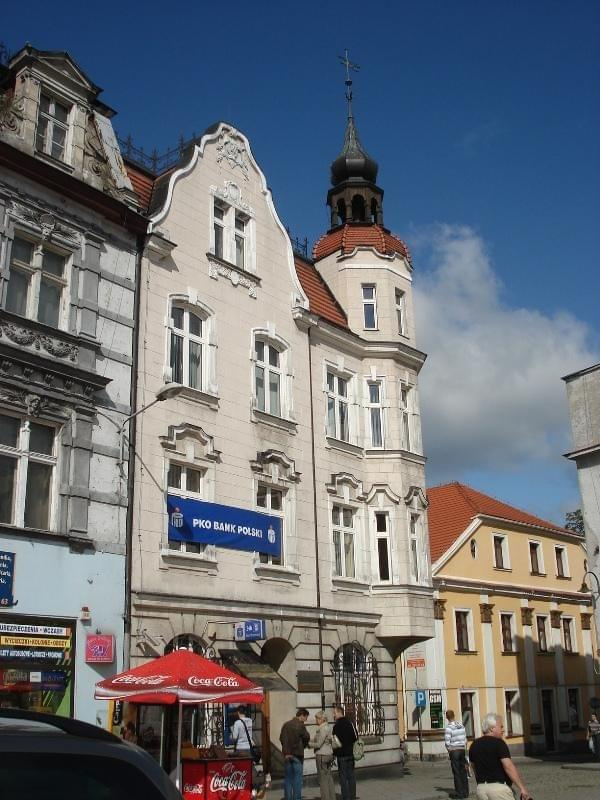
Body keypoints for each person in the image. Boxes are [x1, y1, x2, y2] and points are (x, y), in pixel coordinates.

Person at [468, 713, 531, 800]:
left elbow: (474, 767)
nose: (503, 730)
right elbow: (508, 766)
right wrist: (522, 788)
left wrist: (481, 784)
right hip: (499, 789)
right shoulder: (499, 743)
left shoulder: (473, 745)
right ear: (492, 728)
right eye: (500, 727)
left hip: (481, 789)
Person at [279, 708, 310, 800]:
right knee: (297, 779)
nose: (306, 720)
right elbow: (307, 737)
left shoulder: (286, 725)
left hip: (287, 755)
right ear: (302, 715)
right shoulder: (300, 725)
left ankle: (288, 798)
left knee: (288, 779)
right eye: (306, 717)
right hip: (297, 755)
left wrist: (286, 749)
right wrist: (303, 745)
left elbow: (281, 738)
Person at [332, 705, 357, 800]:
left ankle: (346, 797)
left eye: (334, 713)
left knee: (343, 777)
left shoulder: (336, 726)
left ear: (339, 713)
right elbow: (355, 738)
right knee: (351, 776)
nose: (334, 715)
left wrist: (334, 754)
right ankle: (352, 796)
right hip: (350, 753)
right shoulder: (350, 723)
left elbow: (335, 742)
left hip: (341, 755)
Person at [310, 710, 335, 800]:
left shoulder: (322, 729)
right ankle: (332, 797)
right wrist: (310, 740)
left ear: (321, 719)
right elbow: (321, 740)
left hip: (322, 755)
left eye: (317, 719)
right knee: (329, 777)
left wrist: (308, 745)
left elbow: (318, 744)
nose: (316, 721)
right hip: (329, 754)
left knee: (322, 780)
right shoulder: (328, 727)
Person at [444, 709, 469, 799]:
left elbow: (447, 742)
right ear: (454, 715)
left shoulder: (449, 728)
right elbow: (465, 739)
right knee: (463, 771)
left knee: (456, 772)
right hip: (462, 750)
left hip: (454, 751)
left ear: (447, 717)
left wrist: (449, 750)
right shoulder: (461, 725)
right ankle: (466, 792)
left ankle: (459, 793)